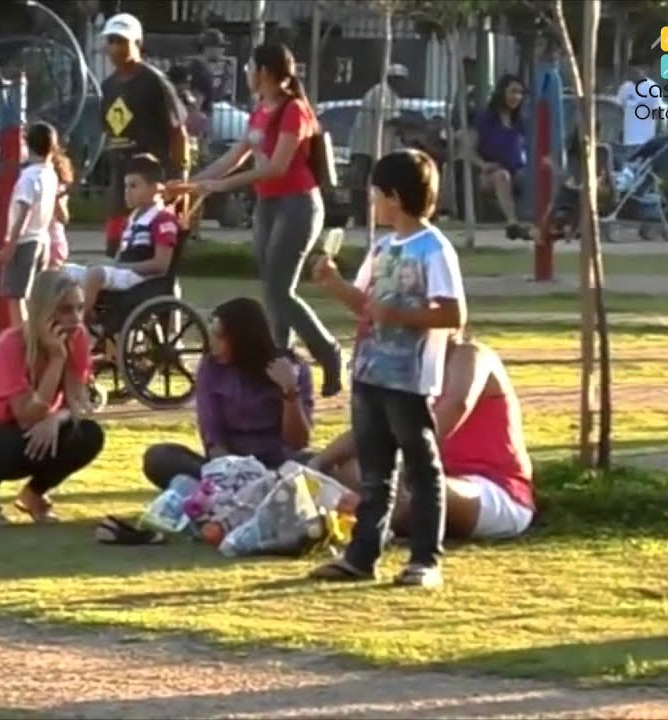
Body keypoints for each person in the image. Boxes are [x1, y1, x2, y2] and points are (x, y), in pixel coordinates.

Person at [308, 148, 467, 588]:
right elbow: (367, 307)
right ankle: (363, 555)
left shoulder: (434, 249)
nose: (371, 201)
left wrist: (401, 317)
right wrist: (334, 284)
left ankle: (425, 559)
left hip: (408, 377)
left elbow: (454, 314)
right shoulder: (382, 247)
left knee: (421, 467)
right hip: (370, 372)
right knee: (375, 472)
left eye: (376, 193)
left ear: (394, 197)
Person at [187, 42, 344, 398]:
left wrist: (222, 185)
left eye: (250, 67)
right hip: (269, 206)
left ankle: (328, 352)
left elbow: (276, 167)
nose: (246, 73)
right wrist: (194, 185)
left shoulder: (294, 110)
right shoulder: (261, 109)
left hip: (297, 205)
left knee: (278, 289)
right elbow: (235, 155)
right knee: (273, 292)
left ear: (266, 71)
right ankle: (282, 362)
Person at [310, 333, 534, 540]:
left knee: (409, 487)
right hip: (432, 477)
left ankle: (367, 524)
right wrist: (318, 464)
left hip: (492, 489)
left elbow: (457, 405)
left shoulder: (471, 355)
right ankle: (364, 516)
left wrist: (399, 462)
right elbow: (376, 428)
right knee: (347, 469)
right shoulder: (412, 370)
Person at [0, 270, 104, 525]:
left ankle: (33, 495)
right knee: (18, 436)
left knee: (89, 434)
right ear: (43, 312)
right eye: (65, 310)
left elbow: (80, 402)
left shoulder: (77, 336)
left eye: (79, 308)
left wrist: (57, 418)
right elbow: (26, 414)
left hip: (34, 429)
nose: (75, 319)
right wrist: (56, 359)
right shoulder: (10, 345)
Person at [142, 296, 315, 489]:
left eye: (220, 337)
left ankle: (262, 487)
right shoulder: (211, 367)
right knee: (159, 457)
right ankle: (248, 489)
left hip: (280, 465)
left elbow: (298, 442)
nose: (212, 343)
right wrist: (233, 473)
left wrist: (290, 393)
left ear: (243, 338)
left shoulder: (290, 367)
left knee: (316, 463)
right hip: (229, 467)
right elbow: (213, 439)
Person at [99, 13, 190, 258]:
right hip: (121, 186)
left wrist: (179, 179)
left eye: (121, 41)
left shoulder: (155, 82)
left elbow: (178, 131)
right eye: (110, 41)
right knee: (116, 256)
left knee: (150, 256)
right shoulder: (107, 87)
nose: (114, 48)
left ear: (137, 44)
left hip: (152, 184)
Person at [60, 154, 178, 321]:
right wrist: (111, 263)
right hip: (124, 272)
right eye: (126, 186)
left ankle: (78, 323)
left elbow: (161, 265)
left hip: (142, 280)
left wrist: (120, 265)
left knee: (96, 274)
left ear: (154, 189)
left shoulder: (162, 219)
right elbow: (119, 256)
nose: (127, 192)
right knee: (62, 271)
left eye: (134, 186)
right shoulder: (131, 218)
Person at [0, 122, 60, 327]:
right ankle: (33, 334)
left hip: (26, 240)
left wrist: (11, 243)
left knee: (16, 296)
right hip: (42, 238)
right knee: (33, 294)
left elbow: (23, 212)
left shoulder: (29, 177)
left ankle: (22, 339)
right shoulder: (50, 174)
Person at [469, 74, 531, 240]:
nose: (516, 97)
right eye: (513, 91)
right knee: (502, 176)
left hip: (517, 170)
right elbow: (469, 152)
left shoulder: (519, 122)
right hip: (490, 173)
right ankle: (512, 223)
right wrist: (483, 165)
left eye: (520, 93)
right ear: (502, 92)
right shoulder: (485, 119)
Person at [346, 63, 409, 227]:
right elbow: (390, 120)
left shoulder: (393, 96)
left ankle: (369, 219)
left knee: (371, 184)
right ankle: (361, 219)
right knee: (362, 184)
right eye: (399, 80)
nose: (402, 84)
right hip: (366, 145)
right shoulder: (381, 93)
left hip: (377, 146)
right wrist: (412, 125)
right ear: (391, 78)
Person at [615, 64, 665, 151]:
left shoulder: (652, 88)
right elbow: (620, 108)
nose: (632, 73)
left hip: (645, 140)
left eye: (635, 71)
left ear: (644, 70)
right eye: (630, 71)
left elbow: (658, 113)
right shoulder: (625, 88)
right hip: (627, 139)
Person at [47, 151, 75, 270]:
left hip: (54, 242)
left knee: (50, 281)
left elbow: (63, 218)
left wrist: (56, 199)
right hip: (41, 241)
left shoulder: (59, 190)